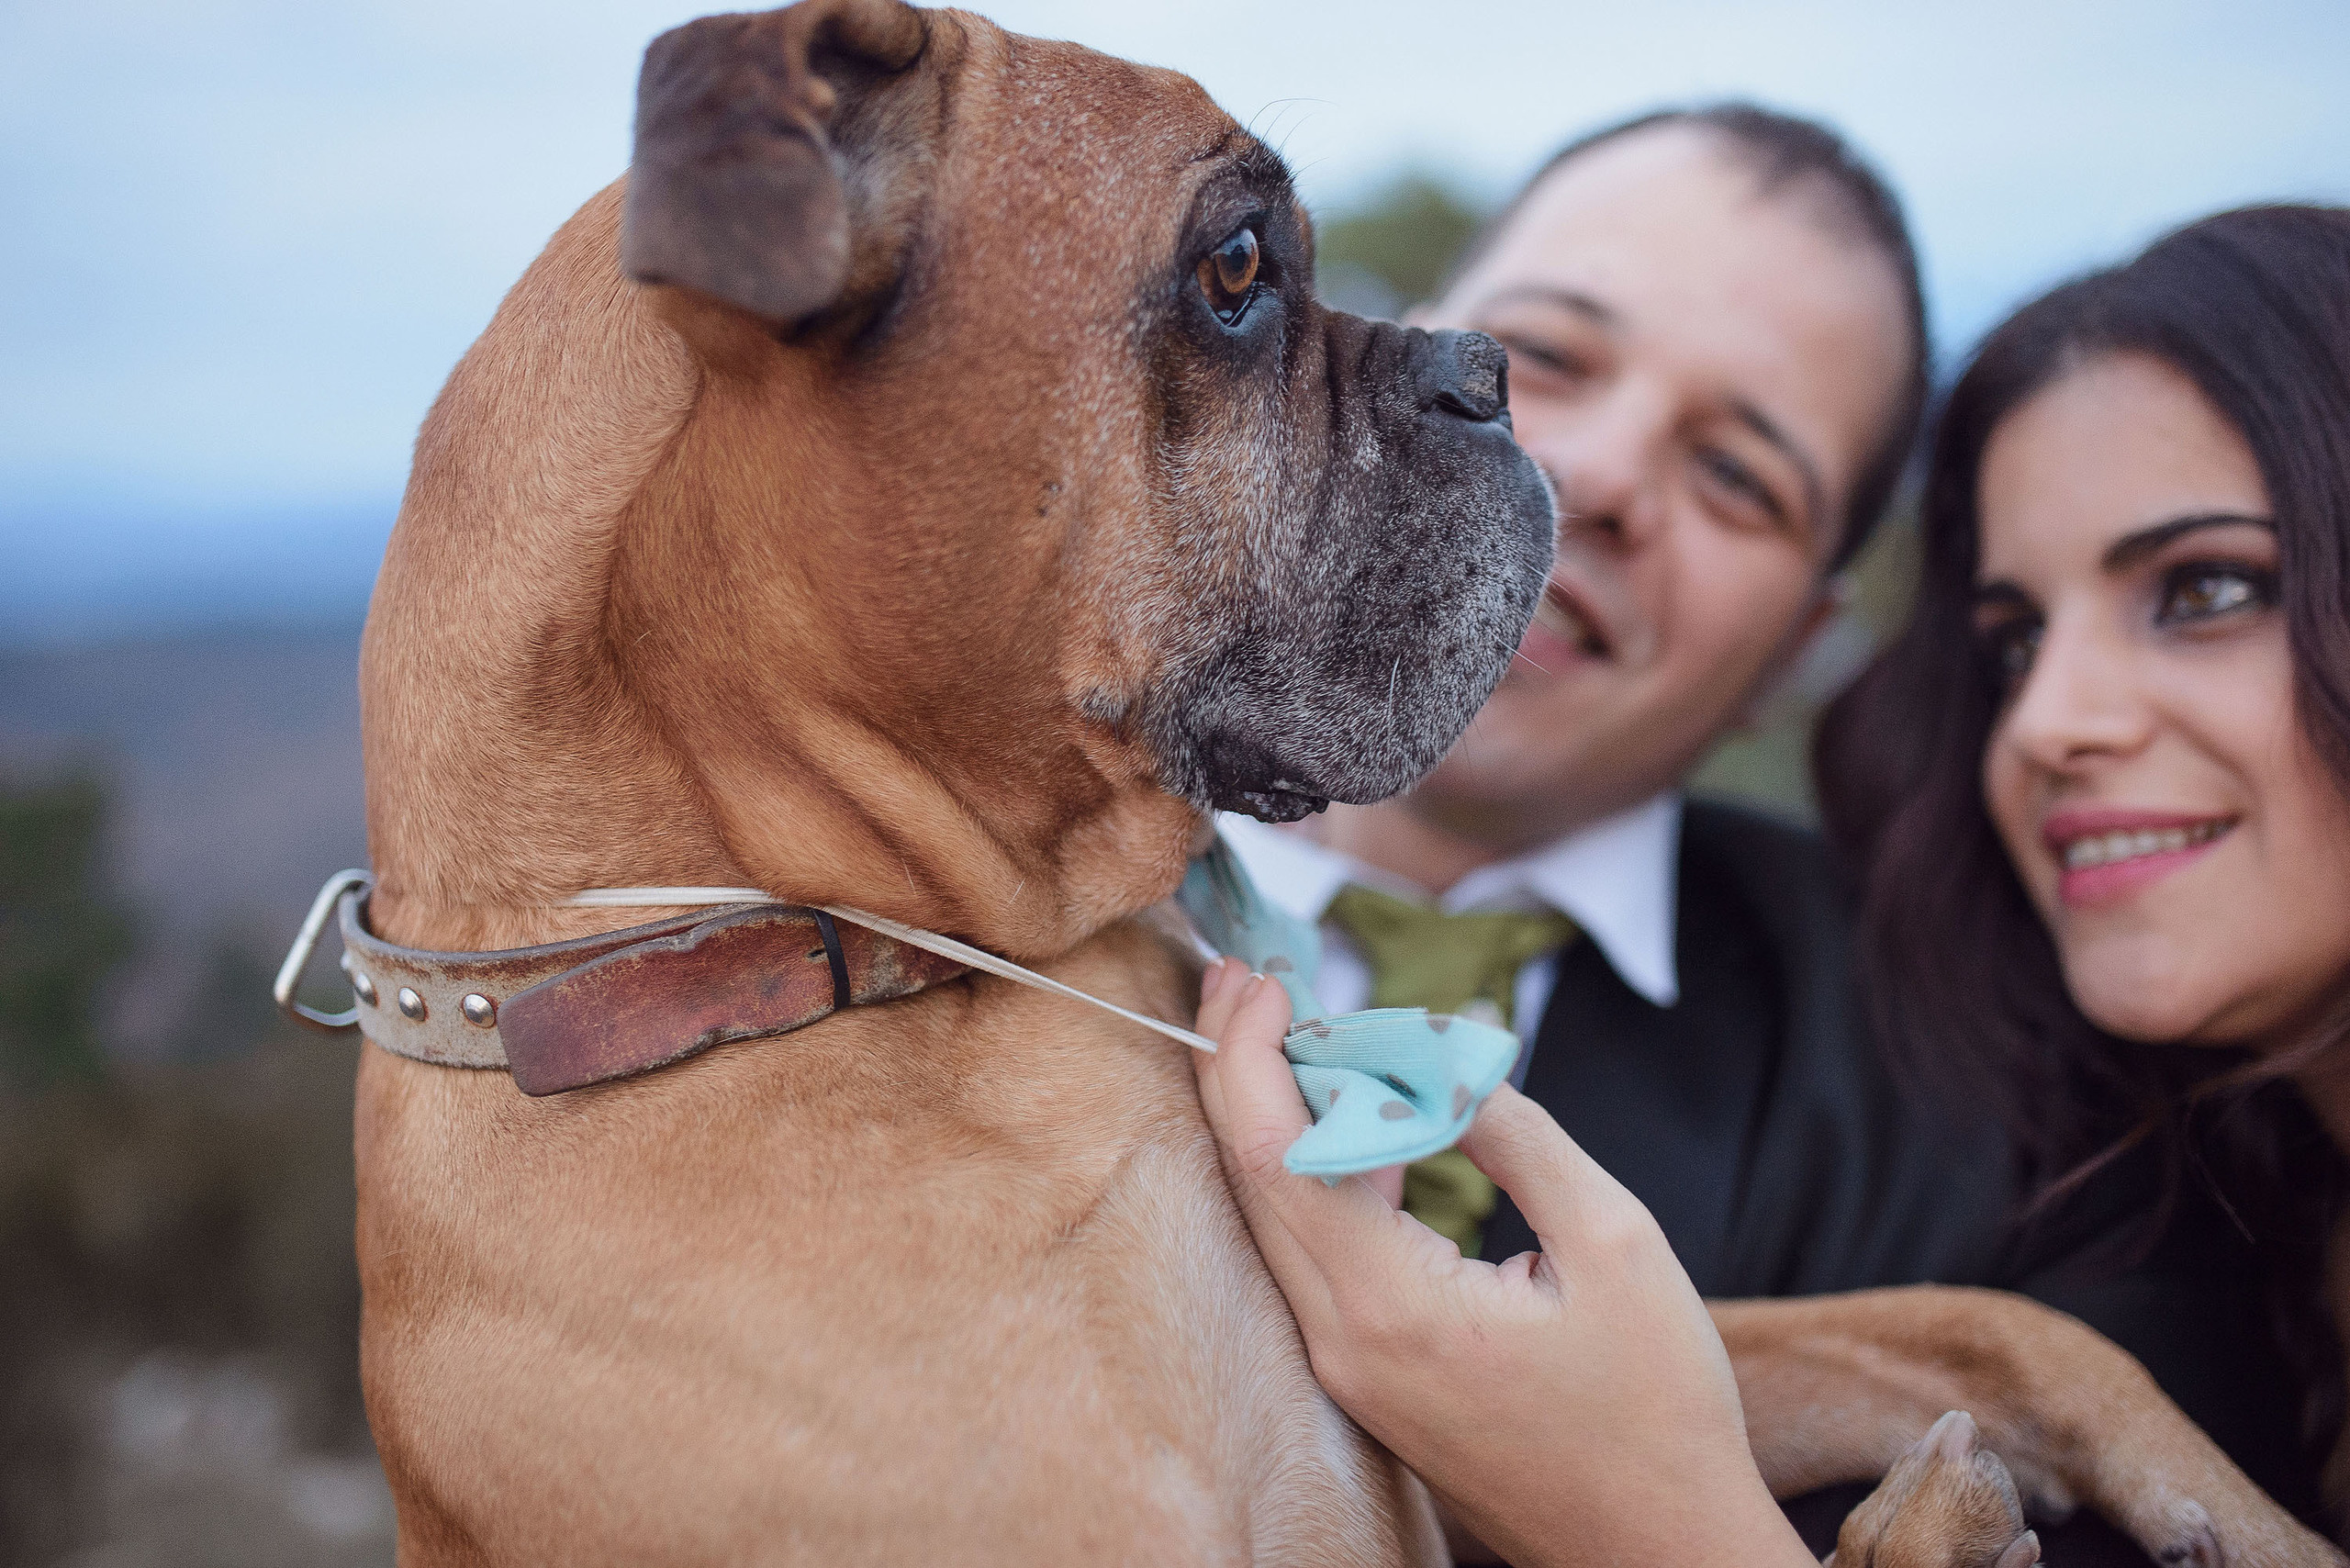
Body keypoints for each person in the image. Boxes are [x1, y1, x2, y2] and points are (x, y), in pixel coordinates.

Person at [1189, 204, 2350, 1559]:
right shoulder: (930, 903)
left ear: (1798, 650)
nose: (1601, 476)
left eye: (1740, 475)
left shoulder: (2036, 1114)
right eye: (1542, 358)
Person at [1816, 203, 2350, 1526]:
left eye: (2205, 589)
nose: (2047, 722)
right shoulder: (2218, 1247)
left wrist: (1642, 1513)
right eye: (2012, 644)